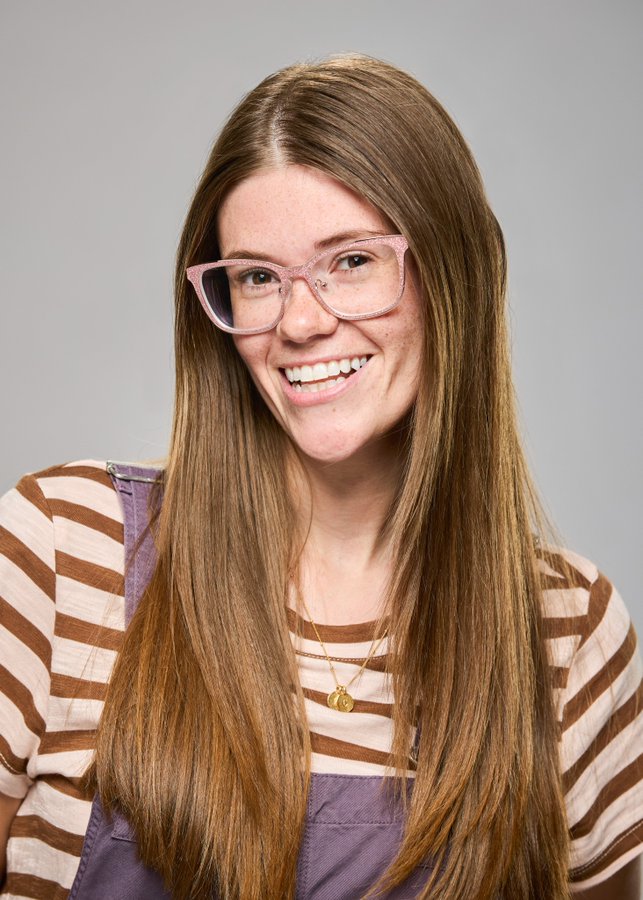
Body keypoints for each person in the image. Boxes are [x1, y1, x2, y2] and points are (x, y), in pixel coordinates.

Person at [0, 54, 641, 900]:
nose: (299, 322)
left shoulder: (566, 637)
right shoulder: (58, 555)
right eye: (257, 277)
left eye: (351, 262)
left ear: (454, 273)